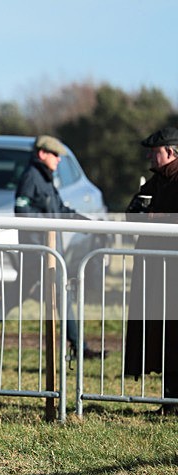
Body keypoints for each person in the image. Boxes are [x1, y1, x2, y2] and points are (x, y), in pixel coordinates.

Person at [0, 135, 103, 361]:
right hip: (39, 252)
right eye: (54, 155)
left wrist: (87, 224)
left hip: (45, 251)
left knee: (15, 296)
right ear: (42, 154)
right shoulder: (31, 177)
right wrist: (44, 231)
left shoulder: (45, 178)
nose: (58, 160)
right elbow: (22, 211)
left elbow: (60, 210)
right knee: (61, 295)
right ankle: (79, 347)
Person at [123, 126, 178, 414]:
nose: (149, 156)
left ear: (170, 151)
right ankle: (170, 401)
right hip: (158, 270)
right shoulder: (157, 182)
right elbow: (133, 213)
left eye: (154, 151)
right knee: (163, 334)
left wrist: (156, 217)